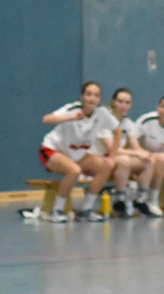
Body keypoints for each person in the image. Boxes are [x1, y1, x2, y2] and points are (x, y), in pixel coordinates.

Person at [37, 81, 119, 222]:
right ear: (82, 96)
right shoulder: (72, 109)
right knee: (74, 171)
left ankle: (86, 209)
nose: (92, 98)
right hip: (52, 150)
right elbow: (47, 119)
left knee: (106, 166)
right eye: (89, 94)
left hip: (77, 155)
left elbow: (118, 132)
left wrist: (111, 157)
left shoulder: (102, 113)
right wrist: (71, 117)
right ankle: (57, 210)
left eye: (96, 95)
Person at [106, 87, 161, 217]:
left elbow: (135, 146)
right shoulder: (106, 119)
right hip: (104, 157)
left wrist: (145, 154)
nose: (123, 105)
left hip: (120, 157)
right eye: (120, 101)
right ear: (113, 101)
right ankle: (119, 200)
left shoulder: (128, 123)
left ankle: (140, 200)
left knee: (149, 160)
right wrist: (136, 153)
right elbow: (111, 149)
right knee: (125, 161)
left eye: (127, 102)